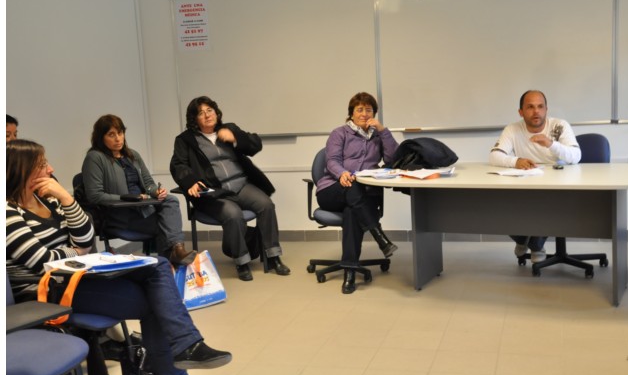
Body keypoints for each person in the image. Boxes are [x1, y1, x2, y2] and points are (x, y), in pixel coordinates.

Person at [6, 139, 232, 375]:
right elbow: (41, 262)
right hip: (46, 291)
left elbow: (86, 240)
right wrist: (75, 252)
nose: (51, 169)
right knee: (156, 301)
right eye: (42, 165)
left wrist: (67, 199)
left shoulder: (50, 200)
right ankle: (176, 374)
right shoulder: (8, 212)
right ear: (21, 170)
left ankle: (184, 351)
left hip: (76, 277)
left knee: (158, 265)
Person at [170, 95, 290, 281]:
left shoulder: (229, 129)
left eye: (210, 110)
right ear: (194, 119)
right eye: (201, 113)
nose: (207, 115)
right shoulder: (185, 140)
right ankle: (241, 262)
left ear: (216, 113)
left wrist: (235, 138)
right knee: (233, 214)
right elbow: (178, 165)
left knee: (266, 205)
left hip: (242, 185)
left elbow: (255, 144)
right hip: (215, 193)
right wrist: (190, 181)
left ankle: (273, 256)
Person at [82, 114, 196, 266]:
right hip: (120, 217)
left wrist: (156, 192)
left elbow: (148, 184)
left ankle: (176, 253)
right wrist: (129, 198)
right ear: (101, 138)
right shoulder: (94, 158)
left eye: (120, 133)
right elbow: (95, 195)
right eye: (111, 135)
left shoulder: (133, 155)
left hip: (143, 210)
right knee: (167, 226)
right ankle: (171, 262)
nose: (118, 139)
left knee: (170, 200)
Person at [315, 92, 399, 294]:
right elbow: (332, 160)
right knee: (352, 186)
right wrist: (342, 173)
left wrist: (383, 131)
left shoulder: (378, 136)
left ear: (374, 113)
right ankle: (379, 236)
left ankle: (350, 272)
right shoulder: (339, 133)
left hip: (362, 196)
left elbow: (393, 159)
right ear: (351, 113)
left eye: (368, 110)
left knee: (352, 211)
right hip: (332, 190)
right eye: (359, 109)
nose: (364, 114)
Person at [489, 89, 581, 263]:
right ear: (521, 112)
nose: (536, 111)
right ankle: (523, 239)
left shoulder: (559, 126)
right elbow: (494, 156)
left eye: (540, 106)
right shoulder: (512, 129)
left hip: (558, 185)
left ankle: (536, 244)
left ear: (546, 109)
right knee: (497, 203)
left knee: (546, 202)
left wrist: (551, 144)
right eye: (530, 107)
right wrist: (515, 161)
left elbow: (576, 156)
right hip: (527, 183)